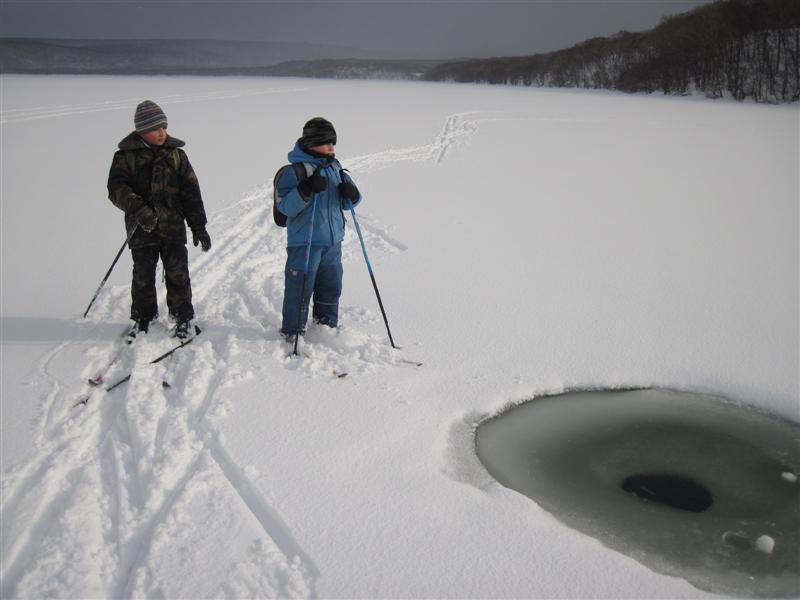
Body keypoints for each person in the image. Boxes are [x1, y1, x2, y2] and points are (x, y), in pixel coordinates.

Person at [107, 100, 211, 340]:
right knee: (142, 274)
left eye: (164, 127)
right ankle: (143, 318)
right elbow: (116, 189)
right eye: (156, 129)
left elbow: (191, 194)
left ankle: (182, 317)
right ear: (141, 131)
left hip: (172, 227)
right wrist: (140, 210)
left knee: (178, 273)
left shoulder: (177, 156)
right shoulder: (125, 157)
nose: (162, 133)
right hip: (141, 228)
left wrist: (199, 227)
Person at [274, 117, 361, 341]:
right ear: (311, 143)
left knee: (331, 286)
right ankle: (293, 332)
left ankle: (326, 325)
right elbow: (284, 207)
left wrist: (351, 194)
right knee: (300, 289)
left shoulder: (336, 168)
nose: (331, 147)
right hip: (305, 242)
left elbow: (350, 201)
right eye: (326, 142)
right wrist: (305, 189)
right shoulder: (293, 172)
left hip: (333, 242)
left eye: (333, 142)